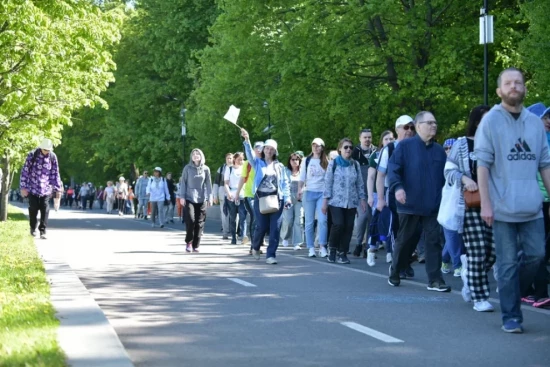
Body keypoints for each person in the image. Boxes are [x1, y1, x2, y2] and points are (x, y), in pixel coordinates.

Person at [475, 68, 550, 333]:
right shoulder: (491, 121)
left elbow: (545, 164)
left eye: (518, 82)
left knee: (537, 254)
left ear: (525, 89)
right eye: (508, 83)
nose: (514, 86)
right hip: (502, 208)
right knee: (506, 264)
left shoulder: (534, 123)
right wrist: (485, 203)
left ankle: (510, 289)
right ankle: (511, 316)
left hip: (532, 207)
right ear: (499, 91)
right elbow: (482, 166)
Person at [387, 111, 450, 292]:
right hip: (409, 203)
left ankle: (435, 279)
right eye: (429, 123)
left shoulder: (439, 150)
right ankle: (396, 270)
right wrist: (398, 188)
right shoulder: (405, 146)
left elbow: (445, 176)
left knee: (433, 240)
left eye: (435, 123)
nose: (434, 126)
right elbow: (393, 170)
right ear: (418, 125)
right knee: (405, 240)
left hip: (432, 205)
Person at [444, 105, 495, 312]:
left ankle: (470, 276)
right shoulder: (463, 144)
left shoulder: (496, 144)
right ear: (475, 122)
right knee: (478, 250)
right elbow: (448, 170)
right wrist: (464, 178)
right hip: (470, 205)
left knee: (494, 252)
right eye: (484, 119)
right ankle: (479, 297)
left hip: (494, 204)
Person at [241, 129, 291, 264]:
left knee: (275, 228)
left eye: (271, 149)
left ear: (275, 152)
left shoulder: (279, 166)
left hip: (276, 200)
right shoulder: (257, 163)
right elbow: (249, 155)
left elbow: (285, 183)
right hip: (260, 199)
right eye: (267, 148)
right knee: (261, 226)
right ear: (263, 150)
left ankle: (271, 255)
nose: (269, 151)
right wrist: (247, 140)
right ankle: (255, 246)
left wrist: (287, 199)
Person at [376, 115, 416, 267]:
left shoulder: (417, 147)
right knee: (397, 230)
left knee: (414, 231)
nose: (409, 131)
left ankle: (404, 262)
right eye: (406, 127)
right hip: (393, 193)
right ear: (397, 129)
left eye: (412, 127)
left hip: (413, 193)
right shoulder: (390, 148)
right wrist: (380, 198)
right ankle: (399, 265)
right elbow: (380, 175)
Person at [322, 138, 366, 264]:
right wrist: (325, 201)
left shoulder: (355, 165)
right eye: (346, 147)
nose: (348, 150)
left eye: (350, 147)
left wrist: (362, 199)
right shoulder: (333, 163)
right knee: (338, 224)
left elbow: (360, 184)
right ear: (340, 149)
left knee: (349, 227)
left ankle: (343, 252)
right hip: (336, 201)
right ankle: (332, 249)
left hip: (351, 202)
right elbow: (328, 183)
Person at [19, 138, 63, 239]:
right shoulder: (32, 155)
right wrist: (23, 187)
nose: (47, 152)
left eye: (48, 150)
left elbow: (55, 173)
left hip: (46, 189)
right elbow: (25, 171)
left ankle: (43, 231)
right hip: (32, 187)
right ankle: (32, 228)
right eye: (45, 150)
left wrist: (57, 189)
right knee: (33, 209)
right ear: (41, 148)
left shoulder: (52, 157)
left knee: (45, 209)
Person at [365, 130, 395, 266]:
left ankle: (390, 252)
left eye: (391, 139)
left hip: (393, 191)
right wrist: (371, 196)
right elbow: (371, 177)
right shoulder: (376, 155)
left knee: (392, 222)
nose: (389, 141)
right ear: (382, 141)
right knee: (377, 222)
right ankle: (371, 249)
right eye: (386, 139)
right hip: (380, 193)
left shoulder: (397, 151)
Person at [298, 138, 329, 258]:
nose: (316, 147)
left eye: (318, 145)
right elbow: (302, 177)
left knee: (322, 220)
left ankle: (322, 246)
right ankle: (311, 247)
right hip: (309, 192)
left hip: (322, 193)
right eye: (314, 145)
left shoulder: (326, 161)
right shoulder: (306, 160)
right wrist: (300, 190)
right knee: (309, 221)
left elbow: (329, 179)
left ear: (322, 147)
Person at [179, 149, 213, 253]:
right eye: (193, 154)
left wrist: (210, 197)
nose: (195, 155)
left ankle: (196, 245)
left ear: (201, 156)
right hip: (189, 197)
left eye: (197, 154)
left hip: (201, 198)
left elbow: (208, 184)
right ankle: (189, 242)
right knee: (191, 220)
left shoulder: (206, 169)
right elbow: (183, 183)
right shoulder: (187, 168)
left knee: (200, 222)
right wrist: (182, 196)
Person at [440, 138, 465, 278]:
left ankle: (444, 259)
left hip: (461, 203)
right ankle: (457, 265)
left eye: (451, 148)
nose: (449, 151)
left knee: (456, 237)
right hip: (446, 204)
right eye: (446, 148)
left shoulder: (463, 164)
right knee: (451, 234)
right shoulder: (440, 164)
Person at [352, 128, 377, 257]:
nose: (367, 140)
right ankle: (358, 244)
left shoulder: (376, 152)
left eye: (369, 137)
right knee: (362, 217)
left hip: (373, 191)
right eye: (365, 137)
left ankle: (368, 247)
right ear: (360, 138)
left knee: (372, 220)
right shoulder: (355, 153)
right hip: (360, 193)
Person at [236, 142, 264, 254]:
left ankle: (257, 243)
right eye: (256, 148)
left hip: (263, 196)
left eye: (261, 148)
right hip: (250, 195)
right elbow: (243, 179)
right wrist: (237, 193)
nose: (258, 150)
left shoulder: (265, 163)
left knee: (260, 220)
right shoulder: (248, 163)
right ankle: (253, 247)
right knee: (255, 217)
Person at [281, 152, 304, 250]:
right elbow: (282, 184)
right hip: (288, 197)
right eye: (293, 159)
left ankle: (297, 242)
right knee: (288, 220)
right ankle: (285, 237)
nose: (295, 161)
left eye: (297, 159)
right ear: (289, 161)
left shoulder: (303, 171)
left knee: (299, 220)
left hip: (300, 198)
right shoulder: (285, 171)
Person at [224, 152, 248, 245]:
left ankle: (243, 236)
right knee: (233, 218)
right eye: (239, 159)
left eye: (242, 159)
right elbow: (226, 183)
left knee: (243, 216)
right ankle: (234, 237)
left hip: (242, 194)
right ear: (234, 159)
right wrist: (228, 193)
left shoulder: (244, 168)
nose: (241, 161)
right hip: (232, 195)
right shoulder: (229, 169)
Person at [213, 153, 233, 240]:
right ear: (225, 159)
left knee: (234, 213)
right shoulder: (221, 169)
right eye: (228, 158)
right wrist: (215, 195)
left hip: (233, 193)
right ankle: (225, 232)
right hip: (222, 192)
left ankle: (234, 231)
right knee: (224, 213)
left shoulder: (236, 168)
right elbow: (216, 183)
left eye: (231, 158)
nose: (229, 160)